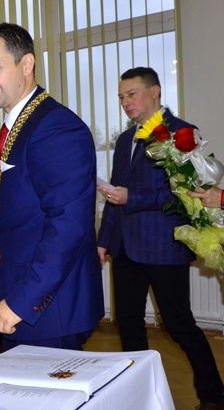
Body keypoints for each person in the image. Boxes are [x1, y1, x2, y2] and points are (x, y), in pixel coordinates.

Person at [0, 23, 103, 351]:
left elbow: (68, 225)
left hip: (46, 309)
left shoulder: (54, 127)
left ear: (26, 64)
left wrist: (22, 301)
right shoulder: (20, 124)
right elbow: (21, 202)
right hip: (23, 296)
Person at [97, 66, 224, 409]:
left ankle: (213, 396)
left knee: (180, 325)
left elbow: (185, 194)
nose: (126, 102)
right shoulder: (124, 140)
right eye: (121, 97)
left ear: (155, 91)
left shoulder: (182, 133)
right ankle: (140, 397)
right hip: (125, 248)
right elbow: (114, 195)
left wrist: (131, 198)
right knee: (128, 324)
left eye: (132, 94)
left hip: (163, 245)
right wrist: (103, 241)